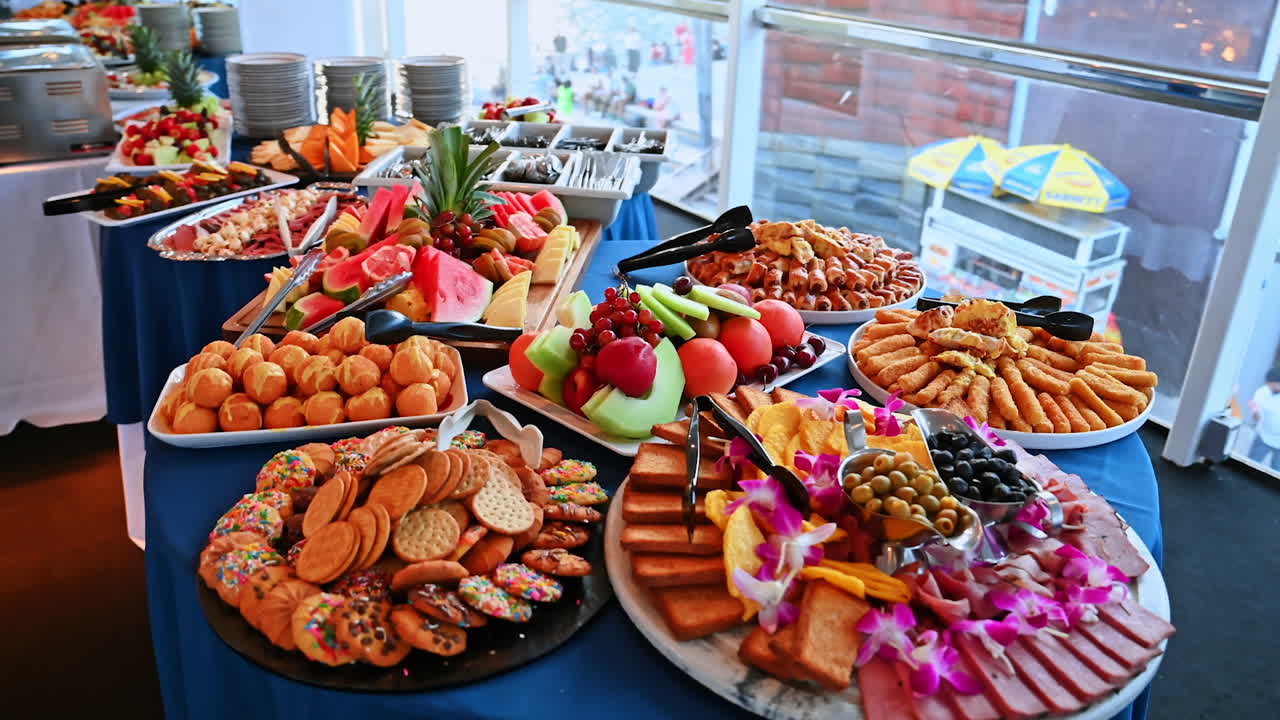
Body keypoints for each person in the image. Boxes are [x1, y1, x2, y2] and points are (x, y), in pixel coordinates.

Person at [1249, 368, 1280, 470]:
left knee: (1276, 472)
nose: (1270, 386)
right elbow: (1256, 417)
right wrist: (1256, 413)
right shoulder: (1262, 392)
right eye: (1269, 383)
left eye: (1274, 384)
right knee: (1251, 465)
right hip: (1264, 436)